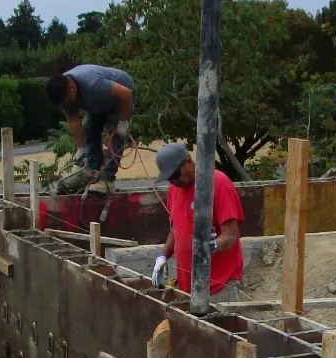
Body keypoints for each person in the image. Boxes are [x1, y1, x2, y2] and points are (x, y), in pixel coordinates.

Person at [151, 142, 244, 302]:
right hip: (188, 289)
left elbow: (230, 236)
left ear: (188, 161)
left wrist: (212, 245)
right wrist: (162, 255)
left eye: (175, 175)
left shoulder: (218, 183)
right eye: (169, 179)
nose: (173, 181)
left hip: (218, 289)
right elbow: (176, 229)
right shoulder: (175, 190)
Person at [45, 64, 135, 191]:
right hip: (97, 101)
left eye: (68, 101)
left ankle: (107, 180)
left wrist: (123, 122)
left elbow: (127, 94)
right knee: (91, 131)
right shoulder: (64, 94)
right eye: (64, 104)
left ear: (71, 88)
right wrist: (81, 148)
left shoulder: (94, 85)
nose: (67, 104)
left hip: (120, 95)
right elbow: (73, 119)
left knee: (116, 135)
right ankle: (92, 173)